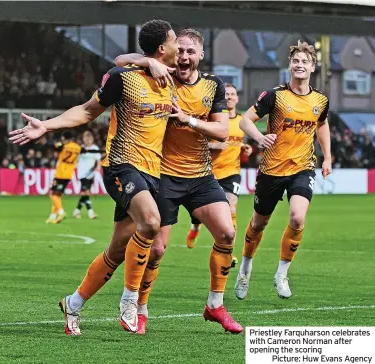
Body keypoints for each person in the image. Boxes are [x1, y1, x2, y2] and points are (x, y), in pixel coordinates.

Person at [9, 19, 178, 335]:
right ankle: (130, 300)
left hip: (152, 171)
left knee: (117, 251)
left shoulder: (169, 82)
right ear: (161, 48)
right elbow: (87, 111)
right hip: (120, 166)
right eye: (174, 41)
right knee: (152, 223)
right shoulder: (122, 78)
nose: (178, 46)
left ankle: (72, 303)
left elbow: (126, 58)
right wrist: (47, 125)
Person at [116, 29, 243, 334]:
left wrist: (189, 120)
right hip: (163, 176)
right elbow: (120, 60)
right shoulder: (162, 75)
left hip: (200, 175)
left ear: (201, 55)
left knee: (226, 233)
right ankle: (142, 309)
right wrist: (149, 61)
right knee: (157, 250)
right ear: (173, 52)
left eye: (191, 52)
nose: (184, 57)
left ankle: (215, 306)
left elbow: (223, 132)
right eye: (181, 50)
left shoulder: (212, 85)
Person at [234, 40, 331, 300]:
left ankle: (281, 273)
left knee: (298, 218)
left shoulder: (320, 100)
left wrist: (327, 157)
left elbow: (322, 125)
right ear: (290, 65)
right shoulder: (275, 96)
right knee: (258, 224)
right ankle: (245, 268)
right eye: (296, 61)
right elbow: (245, 120)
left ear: (313, 67)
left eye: (305, 62)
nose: (300, 65)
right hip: (272, 170)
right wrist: (258, 137)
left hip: (302, 167)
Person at [186, 83, 253, 251]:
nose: (229, 97)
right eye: (226, 94)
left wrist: (245, 147)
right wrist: (213, 146)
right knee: (198, 213)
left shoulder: (241, 121)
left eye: (232, 94)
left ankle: (228, 250)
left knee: (231, 207)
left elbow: (236, 140)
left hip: (232, 172)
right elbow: (195, 141)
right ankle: (195, 228)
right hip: (208, 172)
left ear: (237, 99)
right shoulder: (212, 119)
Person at [45, 131, 82, 224]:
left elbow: (54, 146)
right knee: (57, 195)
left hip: (60, 173)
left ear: (64, 138)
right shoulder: (78, 147)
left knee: (53, 194)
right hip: (69, 174)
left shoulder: (63, 146)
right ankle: (52, 216)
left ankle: (61, 212)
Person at [73, 129, 101, 220]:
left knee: (85, 193)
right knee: (86, 192)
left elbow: (98, 160)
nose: (87, 140)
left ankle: (77, 211)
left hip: (90, 173)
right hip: (82, 174)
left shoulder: (95, 149)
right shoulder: (80, 148)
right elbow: (75, 159)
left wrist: (98, 167)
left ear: (92, 139)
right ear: (83, 139)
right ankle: (90, 212)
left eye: (89, 138)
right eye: (86, 138)